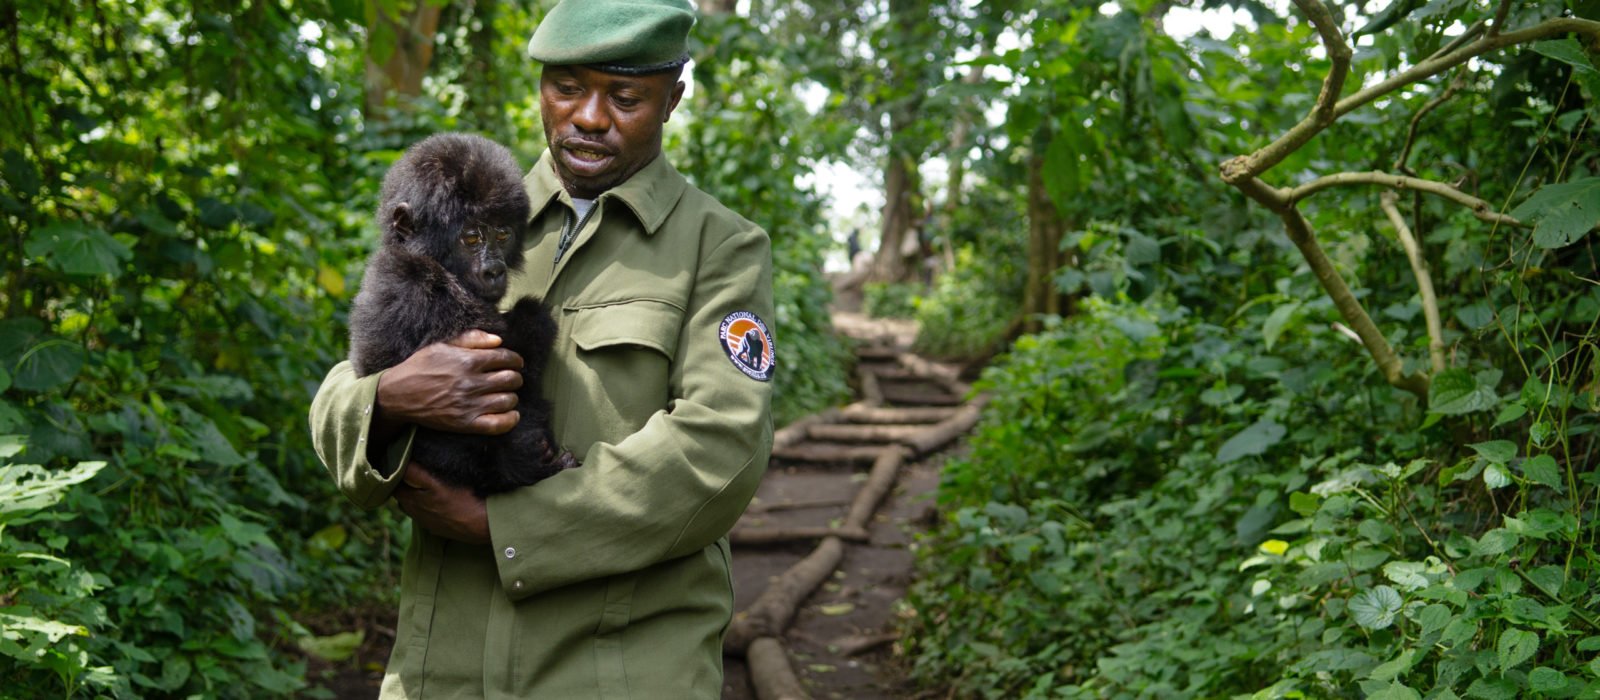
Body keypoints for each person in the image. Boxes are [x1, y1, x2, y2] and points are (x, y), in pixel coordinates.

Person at [308, 0, 775, 696]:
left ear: (673, 98)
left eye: (624, 97)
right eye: (566, 88)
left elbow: (722, 449)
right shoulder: (470, 205)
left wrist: (506, 526)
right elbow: (347, 386)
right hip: (444, 669)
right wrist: (391, 399)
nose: (588, 116)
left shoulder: (720, 248)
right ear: (541, 88)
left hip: (616, 672)